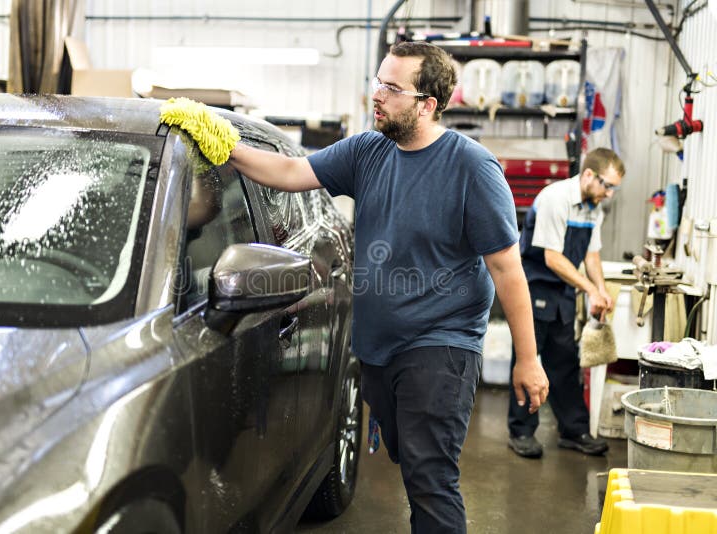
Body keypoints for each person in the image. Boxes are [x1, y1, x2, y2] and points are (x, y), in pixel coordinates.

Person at [229, 41, 549, 533]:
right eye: (377, 82)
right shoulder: (367, 150)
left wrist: (527, 359)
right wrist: (221, 143)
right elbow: (291, 172)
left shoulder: (472, 168)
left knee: (430, 476)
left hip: (440, 345)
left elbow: (507, 269)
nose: (376, 95)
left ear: (428, 104)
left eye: (391, 88)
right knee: (407, 454)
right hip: (378, 348)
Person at [507, 147, 625, 459]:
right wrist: (589, 289)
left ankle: (574, 431)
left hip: (562, 291)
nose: (610, 194)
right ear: (589, 175)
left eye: (614, 188)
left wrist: (600, 290)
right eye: (608, 185)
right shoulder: (554, 198)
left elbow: (591, 254)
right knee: (528, 359)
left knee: (565, 361)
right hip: (535, 287)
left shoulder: (593, 207)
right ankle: (521, 432)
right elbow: (552, 257)